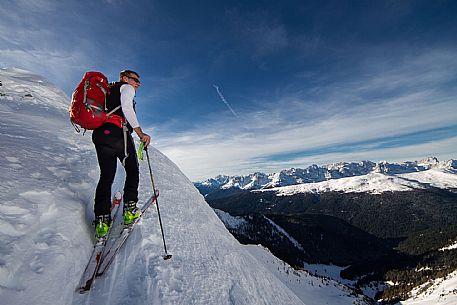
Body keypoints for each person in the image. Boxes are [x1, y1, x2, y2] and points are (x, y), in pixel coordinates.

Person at [92, 69, 151, 238]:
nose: (138, 84)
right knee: (132, 170)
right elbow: (126, 107)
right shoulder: (126, 87)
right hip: (119, 134)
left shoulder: (107, 91)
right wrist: (140, 133)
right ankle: (130, 210)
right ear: (125, 78)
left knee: (106, 175)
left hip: (101, 135)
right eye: (135, 80)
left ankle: (102, 221)